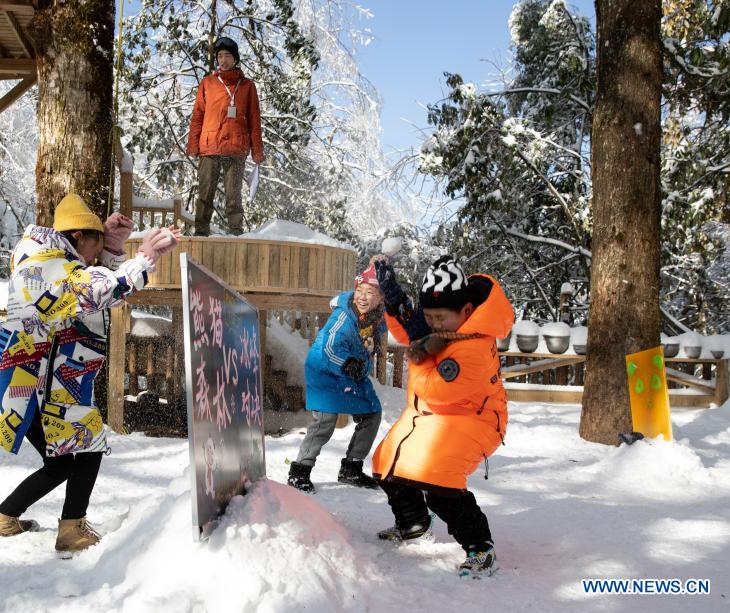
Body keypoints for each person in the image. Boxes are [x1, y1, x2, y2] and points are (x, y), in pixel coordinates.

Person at [0, 193, 181, 553]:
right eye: (95, 241)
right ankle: (63, 529)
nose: (97, 250)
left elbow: (86, 282)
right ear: (77, 238)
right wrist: (143, 258)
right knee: (77, 453)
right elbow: (96, 289)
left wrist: (112, 247)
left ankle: (11, 519)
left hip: (39, 385)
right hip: (31, 387)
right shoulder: (44, 270)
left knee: (73, 454)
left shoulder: (46, 258)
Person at [371, 255, 514, 578]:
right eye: (429, 316)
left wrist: (420, 349)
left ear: (465, 311)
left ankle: (480, 547)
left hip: (474, 418)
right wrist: (398, 307)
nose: (434, 323)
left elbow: (435, 389)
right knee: (385, 465)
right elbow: (413, 331)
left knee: (439, 480)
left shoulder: (474, 345)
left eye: (440, 317)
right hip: (430, 415)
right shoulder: (448, 330)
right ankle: (414, 523)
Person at [287, 262, 386, 493]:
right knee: (325, 421)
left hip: (351, 373)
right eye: (360, 291)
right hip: (324, 370)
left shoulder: (376, 319)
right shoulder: (343, 316)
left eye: (370, 293)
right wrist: (348, 363)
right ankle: (299, 472)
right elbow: (329, 348)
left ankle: (351, 468)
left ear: (380, 298)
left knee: (372, 413)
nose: (362, 297)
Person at [186, 35, 264, 236]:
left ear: (235, 58)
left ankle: (236, 234)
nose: (223, 60)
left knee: (233, 197)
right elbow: (198, 116)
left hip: (236, 148)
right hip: (210, 146)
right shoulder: (208, 83)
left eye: (227, 56)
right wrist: (193, 144)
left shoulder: (247, 86)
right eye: (220, 56)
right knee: (205, 194)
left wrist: (257, 151)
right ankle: (201, 233)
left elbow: (255, 120)